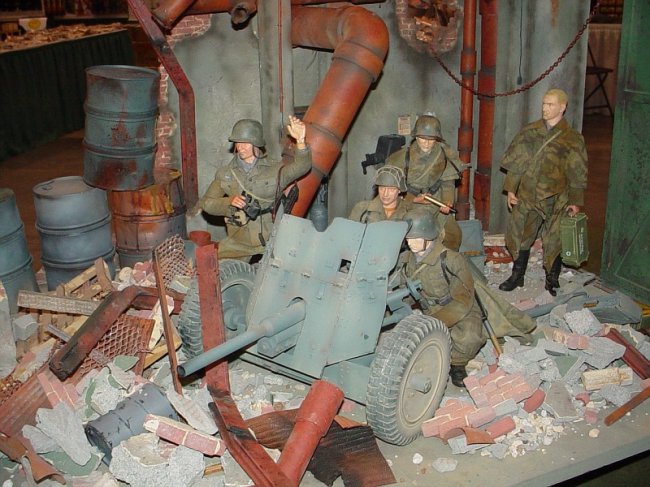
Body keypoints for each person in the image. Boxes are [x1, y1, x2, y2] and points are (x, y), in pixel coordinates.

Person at [499, 88, 588, 295]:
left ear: (562, 107)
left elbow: (577, 171)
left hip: (556, 197)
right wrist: (511, 189)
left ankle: (552, 278)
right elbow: (517, 162)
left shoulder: (572, 138)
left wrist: (575, 201)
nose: (545, 108)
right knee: (521, 233)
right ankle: (517, 275)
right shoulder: (530, 132)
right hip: (528, 194)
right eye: (544, 104)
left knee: (554, 238)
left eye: (550, 105)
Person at [196, 115, 311, 261]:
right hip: (239, 239)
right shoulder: (226, 174)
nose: (240, 147)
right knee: (212, 267)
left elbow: (302, 166)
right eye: (238, 142)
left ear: (256, 144)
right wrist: (229, 202)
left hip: (272, 238)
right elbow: (206, 203)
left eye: (246, 143)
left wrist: (300, 141)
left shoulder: (275, 170)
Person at [401, 208, 485, 387]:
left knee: (469, 336)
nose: (411, 243)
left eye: (416, 238)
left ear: (429, 237)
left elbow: (463, 298)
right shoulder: (407, 260)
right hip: (429, 307)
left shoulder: (451, 259)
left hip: (458, 306)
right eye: (408, 239)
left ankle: (457, 364)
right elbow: (404, 289)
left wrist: (435, 322)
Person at [386, 114, 464, 251]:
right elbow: (391, 189)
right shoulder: (402, 157)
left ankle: (442, 262)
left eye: (431, 139)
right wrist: (413, 199)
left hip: (435, 201)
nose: (426, 143)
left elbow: (448, 182)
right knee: (405, 237)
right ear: (416, 137)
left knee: (453, 235)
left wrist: (447, 202)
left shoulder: (444, 155)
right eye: (423, 138)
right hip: (410, 203)